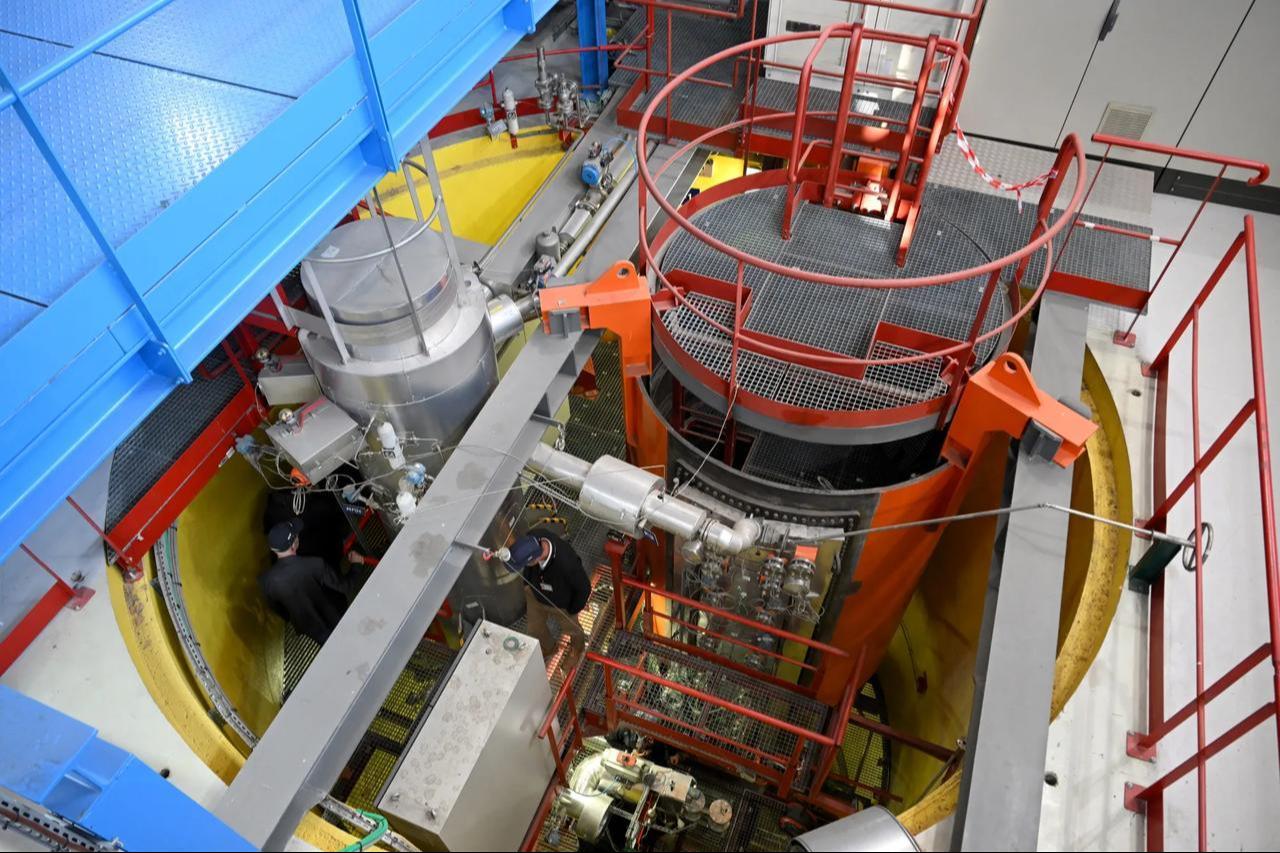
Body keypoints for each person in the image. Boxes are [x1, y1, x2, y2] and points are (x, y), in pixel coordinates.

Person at [259, 519, 363, 646]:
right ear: (293, 545)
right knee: (354, 640)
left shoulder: (266, 581)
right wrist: (357, 565)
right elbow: (346, 587)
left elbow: (279, 610)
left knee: (330, 646)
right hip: (337, 616)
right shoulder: (315, 565)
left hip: (310, 628)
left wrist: (292, 617)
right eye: (296, 535)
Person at [507, 527, 590, 669]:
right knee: (534, 628)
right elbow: (528, 568)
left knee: (573, 629)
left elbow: (584, 588)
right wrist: (527, 585)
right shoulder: (533, 537)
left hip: (561, 604)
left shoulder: (567, 564)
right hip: (535, 594)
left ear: (535, 559)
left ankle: (577, 650)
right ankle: (549, 648)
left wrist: (573, 608)